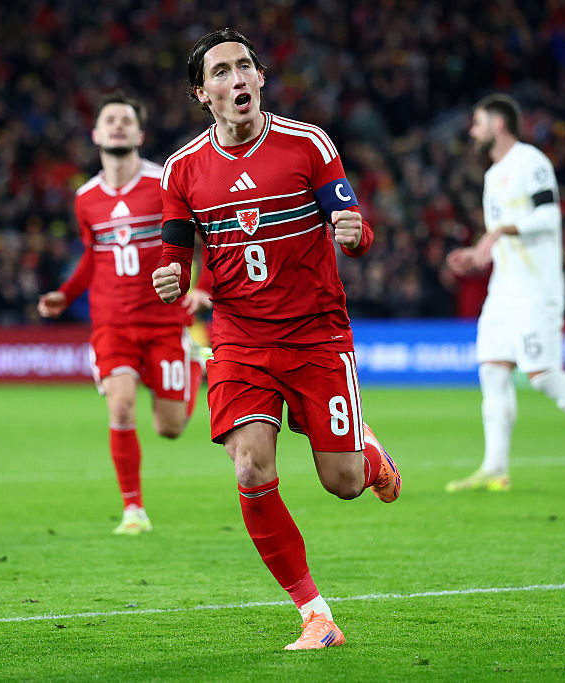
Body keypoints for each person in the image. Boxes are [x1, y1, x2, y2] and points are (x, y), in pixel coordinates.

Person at [151, 28, 400, 650]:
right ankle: (315, 614)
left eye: (245, 67)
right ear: (201, 93)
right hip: (239, 337)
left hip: (317, 334)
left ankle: (365, 455)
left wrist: (356, 235)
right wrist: (169, 277)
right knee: (249, 466)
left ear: (260, 78)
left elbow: (354, 225)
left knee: (341, 483)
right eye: (221, 72)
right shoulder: (183, 171)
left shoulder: (308, 145)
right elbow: (176, 255)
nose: (237, 79)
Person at [39, 93, 211, 535]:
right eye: (109, 120)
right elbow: (92, 254)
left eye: (126, 120)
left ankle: (193, 360)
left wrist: (203, 287)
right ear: (95, 134)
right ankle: (133, 509)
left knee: (170, 428)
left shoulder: (165, 182)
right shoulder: (85, 198)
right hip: (111, 322)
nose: (117, 126)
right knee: (121, 404)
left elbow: (207, 239)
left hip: (163, 320)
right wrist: (65, 293)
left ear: (140, 134)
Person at [445, 94, 565, 493]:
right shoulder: (493, 176)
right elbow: (507, 230)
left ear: (498, 124)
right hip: (503, 289)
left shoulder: (532, 162)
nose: (472, 131)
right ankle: (495, 468)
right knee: (492, 371)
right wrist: (478, 252)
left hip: (535, 290)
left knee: (544, 376)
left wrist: (495, 233)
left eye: (477, 123)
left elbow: (548, 217)